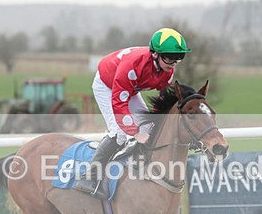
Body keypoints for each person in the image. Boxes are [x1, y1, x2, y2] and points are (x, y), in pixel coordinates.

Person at [76, 27, 191, 195]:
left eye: (178, 59)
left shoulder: (167, 71)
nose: (173, 64)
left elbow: (162, 99)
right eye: (169, 58)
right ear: (155, 54)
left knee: (148, 128)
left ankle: (140, 166)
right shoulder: (133, 66)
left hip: (130, 89)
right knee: (119, 133)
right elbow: (119, 105)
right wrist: (134, 132)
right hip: (107, 86)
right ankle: (89, 177)